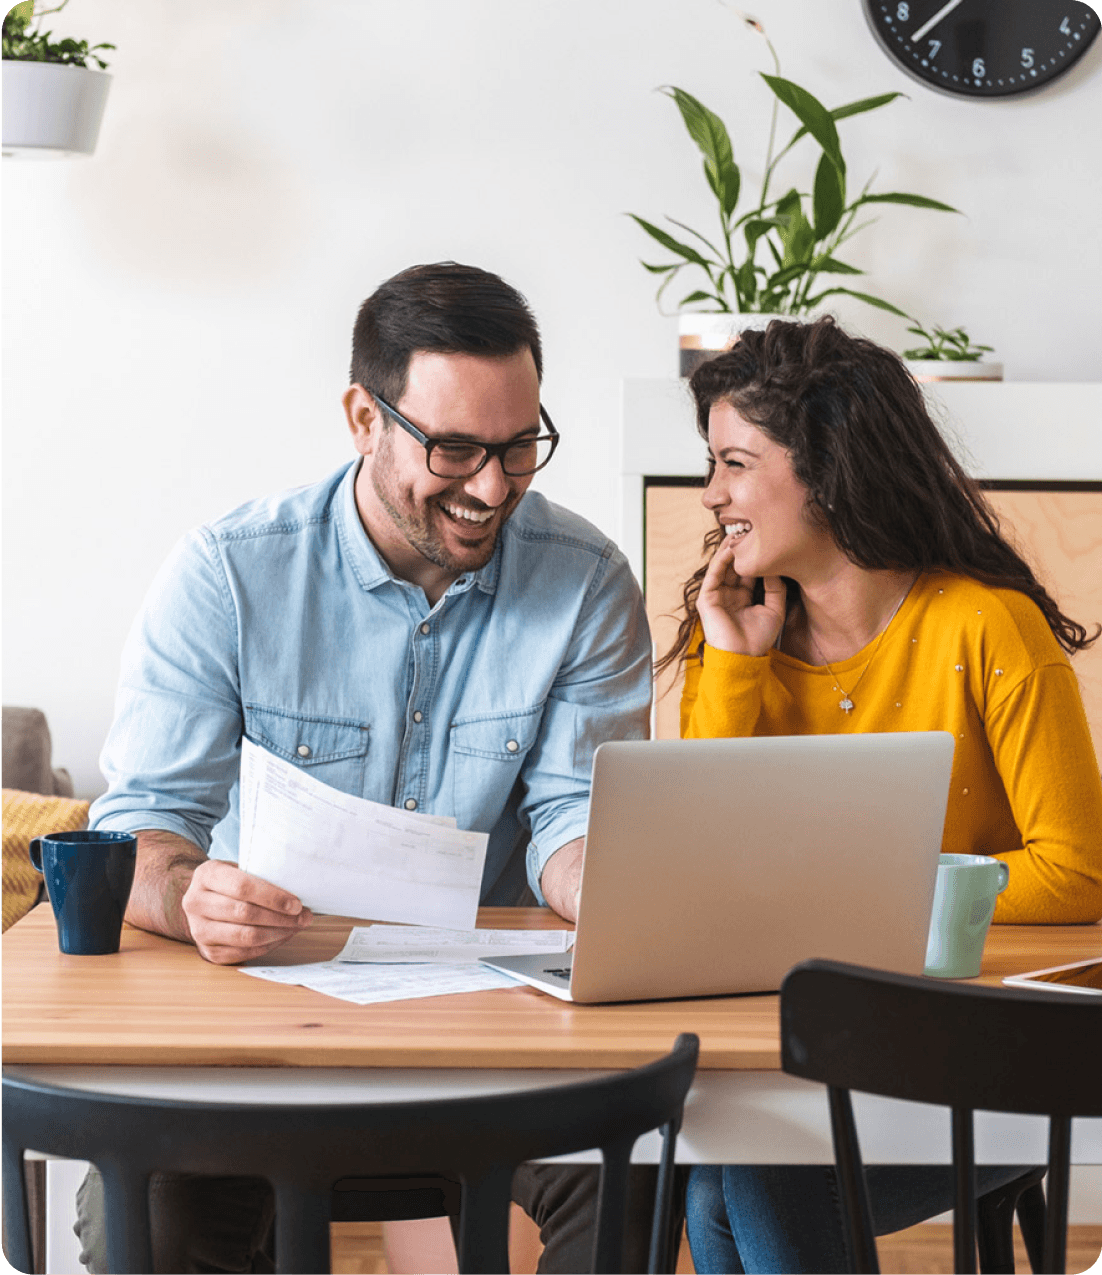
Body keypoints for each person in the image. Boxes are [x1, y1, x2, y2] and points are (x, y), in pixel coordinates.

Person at [74, 262, 659, 1274]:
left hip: (501, 1037)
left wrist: (611, 886)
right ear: (362, 416)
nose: (492, 488)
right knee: (149, 1226)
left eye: (520, 448)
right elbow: (146, 826)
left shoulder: (587, 584)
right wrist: (186, 898)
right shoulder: (229, 572)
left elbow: (572, 813)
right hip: (260, 1025)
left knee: (646, 1180)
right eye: (456, 449)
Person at [661, 316, 1102, 1275]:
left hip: (980, 1065)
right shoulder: (736, 638)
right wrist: (734, 671)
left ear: (824, 466)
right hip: (800, 1058)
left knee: (760, 1176)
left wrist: (860, 910)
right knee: (719, 1175)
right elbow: (700, 874)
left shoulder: (987, 625)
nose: (713, 495)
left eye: (736, 463)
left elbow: (1078, 872)